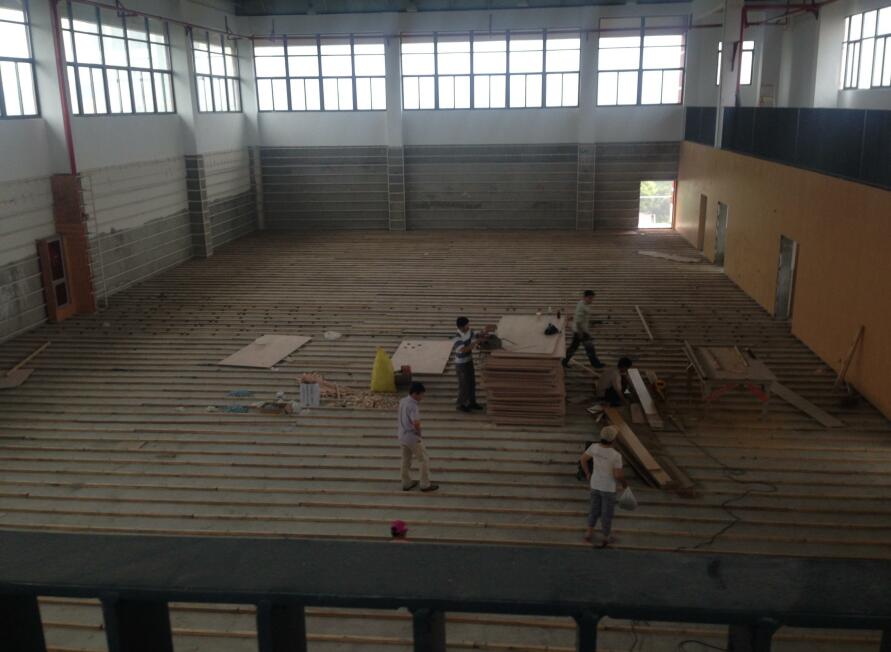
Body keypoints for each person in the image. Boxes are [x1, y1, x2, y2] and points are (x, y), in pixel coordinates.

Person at [579, 425, 627, 545]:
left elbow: (583, 459)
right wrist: (624, 484)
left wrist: (587, 474)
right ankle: (606, 537)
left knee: (594, 510)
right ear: (613, 439)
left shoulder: (594, 447)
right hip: (608, 488)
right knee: (606, 513)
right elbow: (618, 475)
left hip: (595, 484)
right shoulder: (616, 455)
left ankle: (589, 533)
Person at [397, 382, 439, 492]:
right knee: (423, 459)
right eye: (421, 394)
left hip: (402, 435)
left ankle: (406, 483)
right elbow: (416, 423)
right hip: (412, 436)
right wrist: (419, 435)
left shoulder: (403, 401)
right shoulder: (413, 406)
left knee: (405, 460)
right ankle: (425, 484)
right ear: (415, 393)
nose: (422, 397)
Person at [451, 317, 487, 413]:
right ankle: (461, 404)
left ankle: (472, 402)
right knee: (463, 385)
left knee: (471, 382)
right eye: (467, 325)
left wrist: (482, 334)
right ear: (461, 327)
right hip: (461, 364)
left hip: (469, 361)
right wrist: (476, 342)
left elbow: (475, 335)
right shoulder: (456, 337)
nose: (468, 326)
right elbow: (464, 350)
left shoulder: (469, 331)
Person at [563, 290, 605, 369]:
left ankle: (564, 362)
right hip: (580, 331)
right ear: (585, 297)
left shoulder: (582, 304)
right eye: (590, 298)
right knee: (589, 348)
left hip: (581, 331)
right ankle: (596, 364)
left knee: (574, 348)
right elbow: (578, 321)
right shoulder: (582, 306)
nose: (591, 300)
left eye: (592, 298)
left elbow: (578, 316)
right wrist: (580, 333)